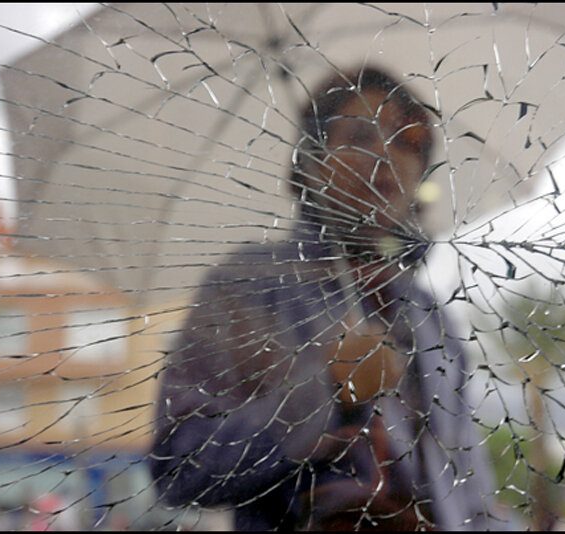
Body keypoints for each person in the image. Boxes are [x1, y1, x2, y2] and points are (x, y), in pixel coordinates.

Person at [149, 66, 498, 530]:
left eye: (407, 141)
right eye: (358, 136)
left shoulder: (430, 317)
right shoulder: (249, 285)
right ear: (312, 159)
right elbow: (178, 467)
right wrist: (327, 390)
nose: (384, 156)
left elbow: (473, 488)